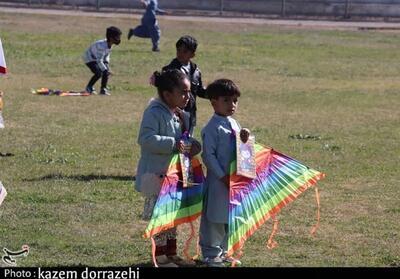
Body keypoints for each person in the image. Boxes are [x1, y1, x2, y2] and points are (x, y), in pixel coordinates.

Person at [135, 69, 201, 267]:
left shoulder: (179, 114)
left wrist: (193, 145)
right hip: (158, 176)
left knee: (172, 215)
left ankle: (171, 254)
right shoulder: (154, 112)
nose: (187, 96)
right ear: (166, 94)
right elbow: (145, 139)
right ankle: (160, 257)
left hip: (174, 175)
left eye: (189, 92)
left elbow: (183, 139)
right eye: (183, 92)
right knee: (161, 216)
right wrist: (173, 144)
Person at [199, 79, 250, 267]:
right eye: (227, 100)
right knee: (214, 219)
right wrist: (222, 176)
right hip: (218, 182)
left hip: (234, 183)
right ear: (213, 102)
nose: (232, 105)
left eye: (235, 100)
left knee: (230, 217)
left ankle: (225, 251)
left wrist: (245, 137)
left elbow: (243, 149)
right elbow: (208, 156)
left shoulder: (235, 124)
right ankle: (211, 254)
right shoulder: (211, 128)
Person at [162, 35, 207, 135]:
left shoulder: (196, 71)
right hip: (174, 114)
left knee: (187, 145)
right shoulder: (170, 71)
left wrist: (214, 93)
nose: (180, 54)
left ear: (193, 54)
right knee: (175, 144)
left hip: (190, 114)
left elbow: (199, 91)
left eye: (185, 51)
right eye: (178, 50)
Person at [83, 26, 121, 95]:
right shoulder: (101, 46)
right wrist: (105, 69)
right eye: (117, 37)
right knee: (99, 73)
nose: (118, 39)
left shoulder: (110, 44)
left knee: (105, 71)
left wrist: (107, 66)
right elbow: (99, 60)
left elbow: (106, 56)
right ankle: (89, 87)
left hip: (97, 58)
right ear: (111, 38)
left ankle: (103, 89)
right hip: (89, 58)